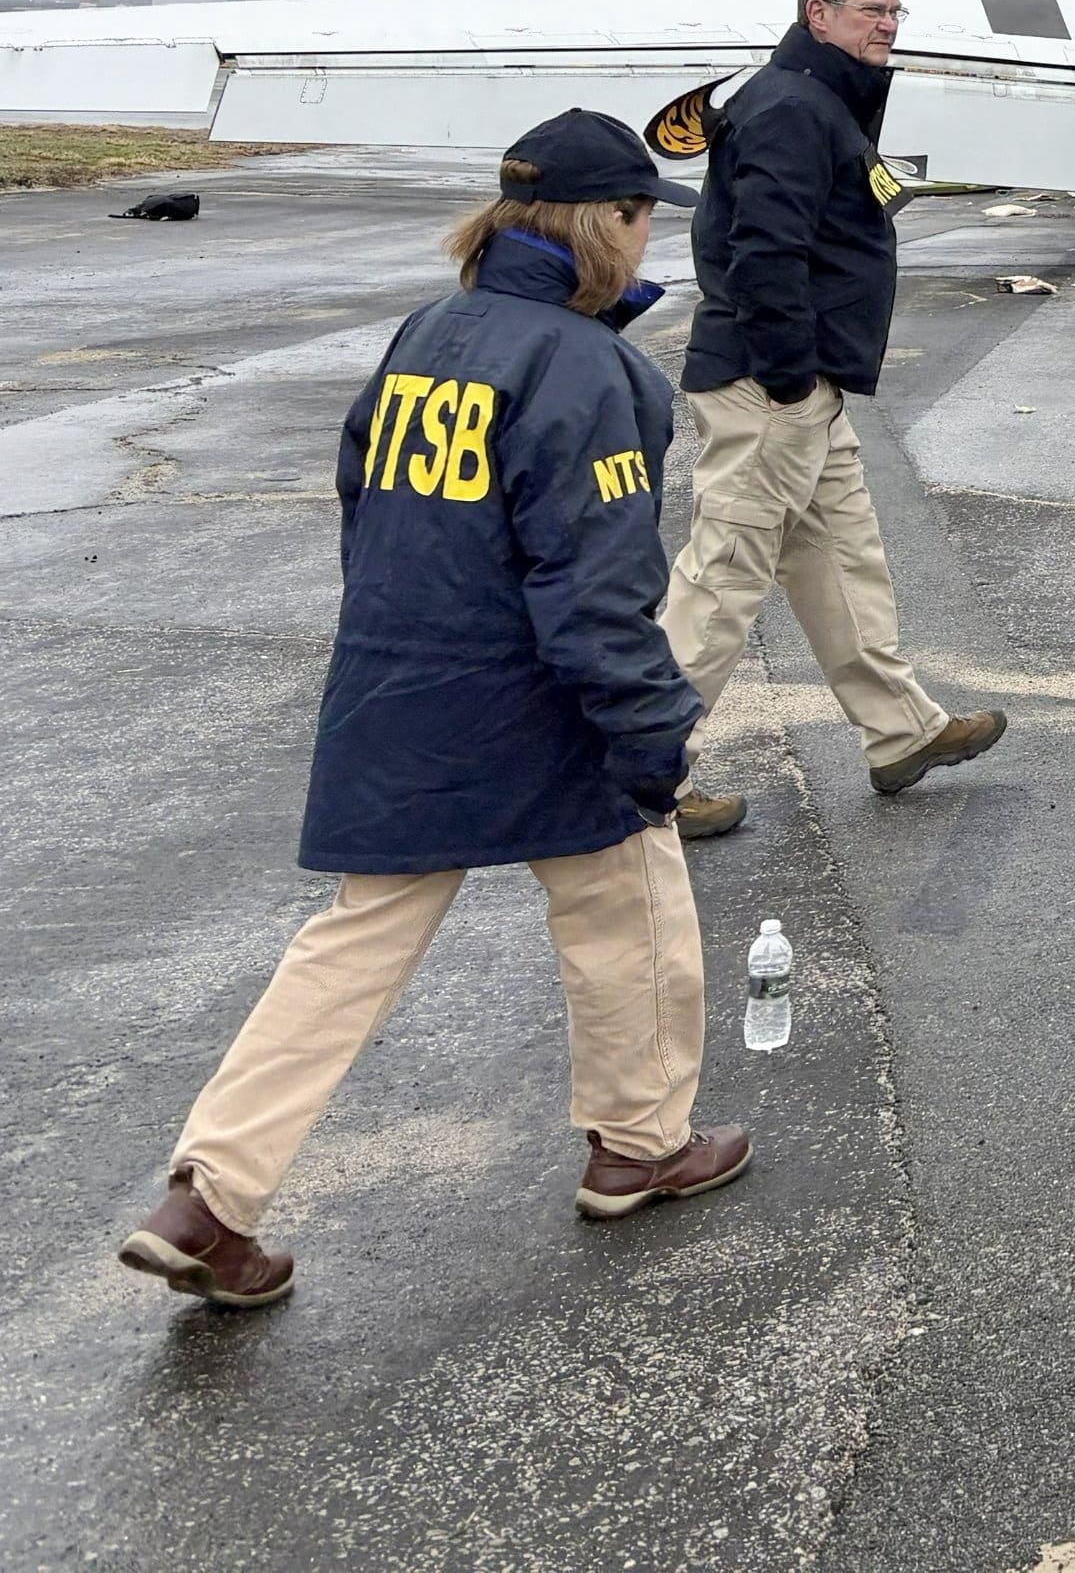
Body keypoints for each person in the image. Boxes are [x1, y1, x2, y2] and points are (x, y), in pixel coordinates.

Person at [118, 113, 749, 1311]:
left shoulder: (429, 332)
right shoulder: (588, 369)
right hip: (535, 697)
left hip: (397, 681)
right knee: (630, 893)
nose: (648, 232)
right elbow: (597, 586)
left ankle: (209, 1195)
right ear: (603, 226)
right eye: (642, 213)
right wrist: (650, 730)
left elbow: (364, 499)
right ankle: (640, 1142)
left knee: (353, 944)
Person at [660, 0, 1001, 839]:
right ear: (819, 16)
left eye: (893, 11)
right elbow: (762, 252)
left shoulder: (817, 100)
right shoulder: (790, 110)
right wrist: (783, 373)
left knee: (844, 558)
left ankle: (901, 733)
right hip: (770, 385)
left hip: (805, 386)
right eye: (869, 12)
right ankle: (637, 775)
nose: (887, 25)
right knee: (724, 577)